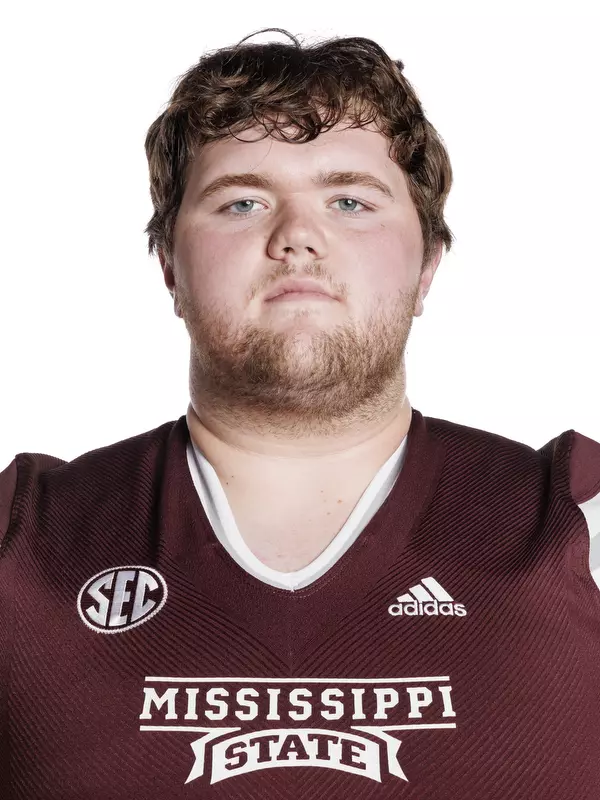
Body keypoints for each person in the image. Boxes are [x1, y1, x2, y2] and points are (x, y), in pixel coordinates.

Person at [0, 27, 599, 799]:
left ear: (427, 270)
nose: (297, 238)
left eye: (349, 200)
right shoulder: (21, 539)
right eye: (242, 201)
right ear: (169, 270)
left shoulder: (577, 518)